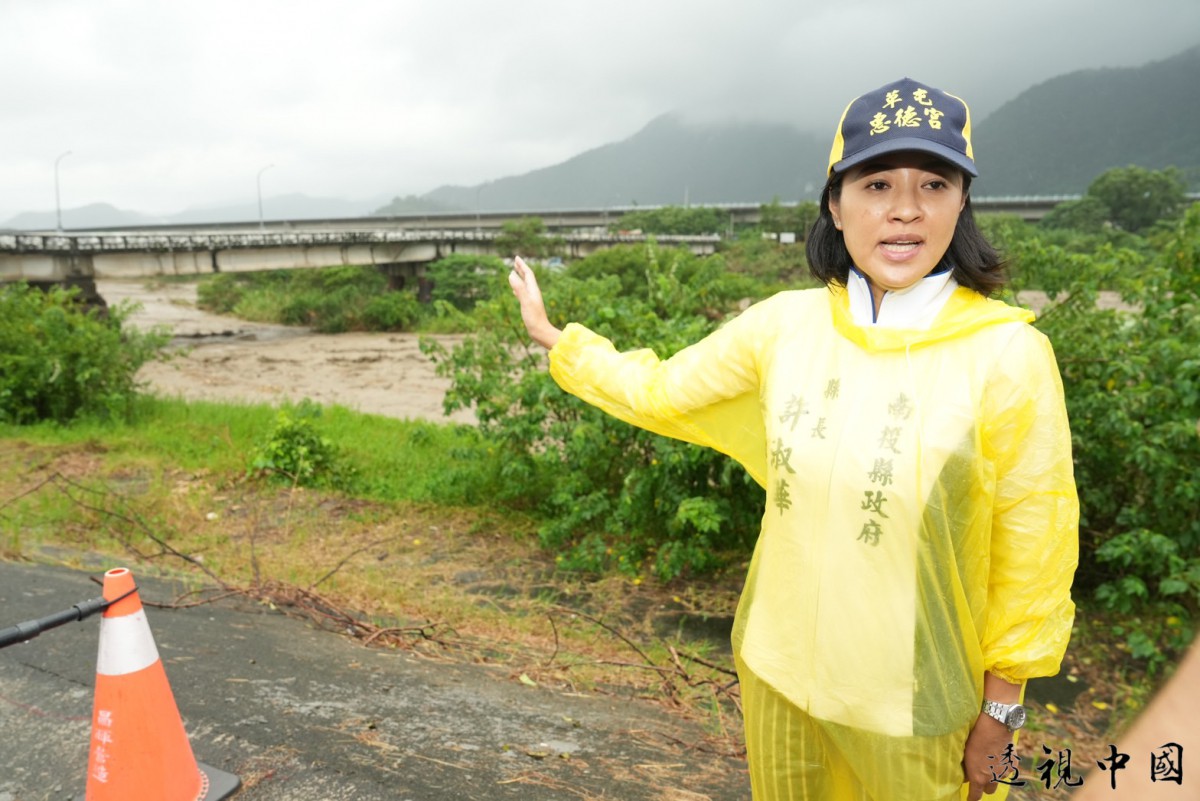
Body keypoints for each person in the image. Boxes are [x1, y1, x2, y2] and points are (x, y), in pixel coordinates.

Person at [508, 77, 1079, 801]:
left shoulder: (1007, 357)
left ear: (961, 201)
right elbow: (663, 392)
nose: (905, 208)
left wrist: (1003, 708)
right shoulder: (784, 326)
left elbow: (1034, 547)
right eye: (876, 183)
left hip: (913, 708)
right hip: (779, 677)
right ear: (836, 205)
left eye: (933, 182)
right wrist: (561, 341)